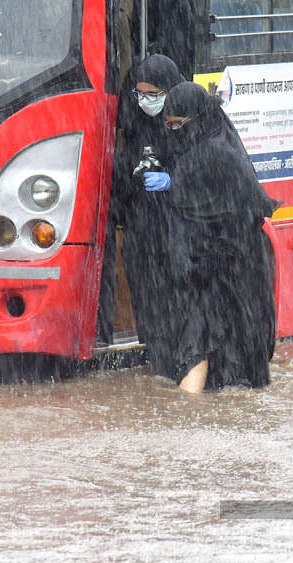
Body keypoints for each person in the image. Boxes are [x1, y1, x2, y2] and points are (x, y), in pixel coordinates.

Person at [149, 81, 279, 393]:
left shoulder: (217, 154)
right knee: (206, 339)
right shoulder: (203, 146)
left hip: (233, 268)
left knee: (220, 342)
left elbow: (235, 213)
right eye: (170, 125)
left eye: (179, 125)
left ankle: (192, 414)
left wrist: (174, 182)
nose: (174, 131)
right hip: (209, 268)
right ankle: (198, 414)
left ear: (197, 119)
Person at [96, 54, 185, 350]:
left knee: (171, 288)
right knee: (142, 282)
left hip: (173, 224)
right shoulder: (133, 120)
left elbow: (204, 169)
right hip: (141, 221)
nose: (145, 100)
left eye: (153, 94)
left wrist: (172, 180)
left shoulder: (185, 120)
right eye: (140, 93)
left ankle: (175, 347)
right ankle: (153, 346)